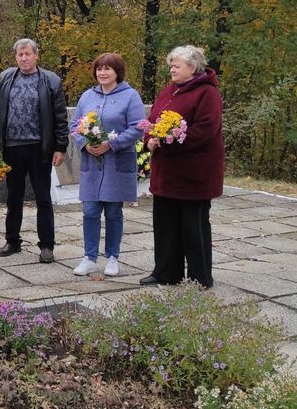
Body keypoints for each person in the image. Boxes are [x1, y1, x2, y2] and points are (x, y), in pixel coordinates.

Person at [139, 45, 223, 289]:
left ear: (193, 67)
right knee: (165, 226)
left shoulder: (207, 93)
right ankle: (166, 273)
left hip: (194, 174)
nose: (172, 69)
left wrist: (169, 143)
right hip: (167, 174)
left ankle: (200, 278)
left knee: (193, 228)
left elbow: (205, 130)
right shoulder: (170, 91)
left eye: (177, 65)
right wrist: (150, 139)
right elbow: (153, 121)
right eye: (171, 65)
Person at [0, 38, 69, 262]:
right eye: (20, 55)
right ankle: (12, 241)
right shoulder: (5, 78)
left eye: (27, 54)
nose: (24, 58)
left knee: (43, 197)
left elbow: (61, 118)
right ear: (16, 57)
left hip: (39, 148)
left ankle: (47, 246)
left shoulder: (50, 81)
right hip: (11, 147)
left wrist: (61, 147)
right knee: (13, 197)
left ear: (36, 55)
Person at [70, 53, 145, 277]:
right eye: (99, 69)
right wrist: (85, 144)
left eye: (108, 69)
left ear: (117, 72)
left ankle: (112, 257)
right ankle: (89, 257)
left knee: (113, 212)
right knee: (90, 211)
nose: (102, 73)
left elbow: (137, 127)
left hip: (116, 163)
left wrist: (111, 144)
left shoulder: (130, 96)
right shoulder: (87, 96)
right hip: (92, 165)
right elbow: (75, 125)